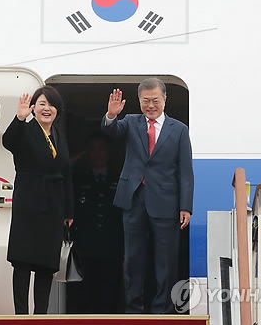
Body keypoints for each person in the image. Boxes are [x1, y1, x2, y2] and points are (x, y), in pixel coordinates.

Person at [101, 78, 194, 314]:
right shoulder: (131, 122)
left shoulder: (180, 130)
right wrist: (111, 115)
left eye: (155, 100)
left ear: (165, 99)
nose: (150, 105)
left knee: (166, 260)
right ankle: (134, 308)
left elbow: (185, 172)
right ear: (139, 101)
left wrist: (186, 206)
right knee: (133, 259)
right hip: (133, 199)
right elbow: (110, 131)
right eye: (145, 101)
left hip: (166, 202)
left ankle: (162, 309)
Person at [2, 85, 73, 314]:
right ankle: (21, 315)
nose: (47, 109)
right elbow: (8, 142)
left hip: (53, 207)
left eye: (51, 105)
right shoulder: (25, 130)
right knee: (22, 262)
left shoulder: (59, 136)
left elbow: (66, 175)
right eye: (42, 104)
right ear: (33, 108)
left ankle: (41, 315)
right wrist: (19, 119)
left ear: (57, 110)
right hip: (28, 204)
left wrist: (69, 211)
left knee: (46, 265)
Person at [69, 134, 124, 313]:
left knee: (110, 295)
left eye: (102, 149)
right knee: (84, 295)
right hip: (85, 248)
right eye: (93, 150)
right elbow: (62, 169)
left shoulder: (120, 179)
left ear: (108, 153)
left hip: (113, 247)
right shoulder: (78, 179)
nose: (98, 154)